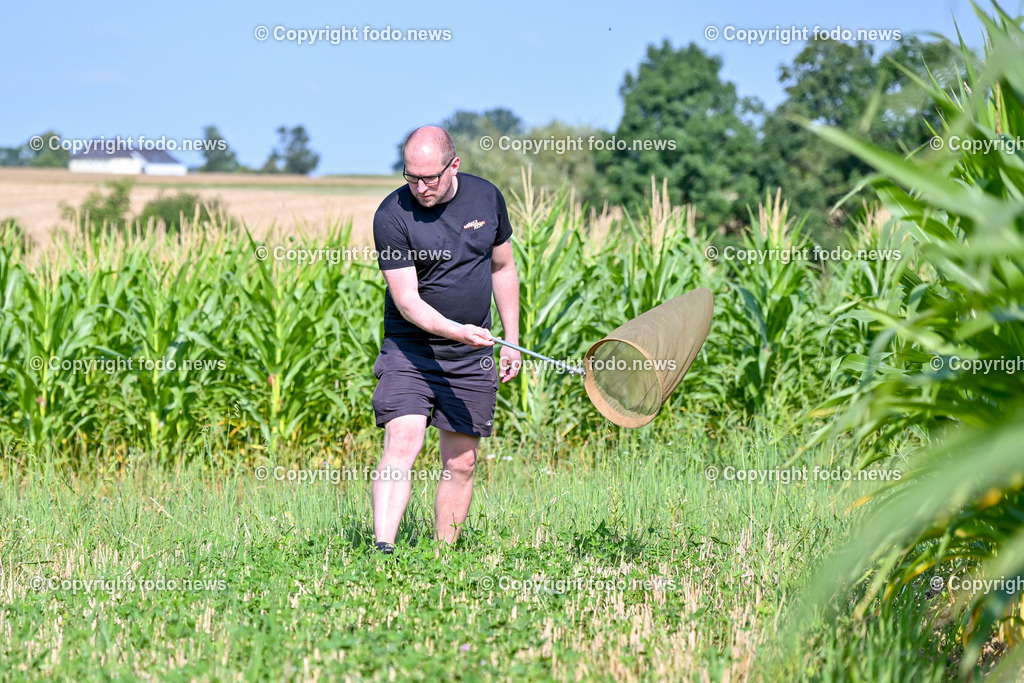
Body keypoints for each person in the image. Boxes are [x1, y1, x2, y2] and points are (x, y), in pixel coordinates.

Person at [370, 125, 521, 552]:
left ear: (453, 166)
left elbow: (502, 268)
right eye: (410, 177)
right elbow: (407, 301)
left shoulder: (486, 198)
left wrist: (510, 338)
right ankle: (383, 551)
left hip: (471, 355)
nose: (420, 187)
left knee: (462, 460)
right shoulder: (391, 215)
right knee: (404, 439)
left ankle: (441, 560)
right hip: (410, 349)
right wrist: (459, 331)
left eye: (430, 178)